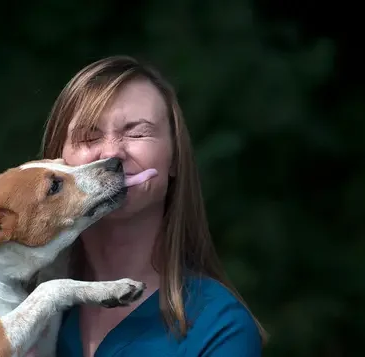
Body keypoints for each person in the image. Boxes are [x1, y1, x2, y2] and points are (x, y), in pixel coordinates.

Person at [39, 55, 267, 357]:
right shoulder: (13, 312)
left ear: (174, 159)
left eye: (137, 133)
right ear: (55, 162)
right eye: (88, 136)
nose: (111, 152)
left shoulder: (220, 328)